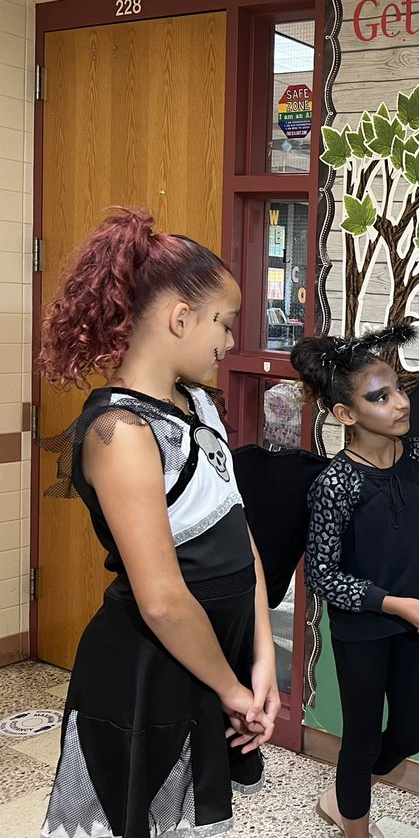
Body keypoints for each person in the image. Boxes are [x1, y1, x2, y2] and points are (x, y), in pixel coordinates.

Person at [37, 208, 278, 838]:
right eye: (225, 325)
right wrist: (232, 690)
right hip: (153, 668)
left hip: (220, 664)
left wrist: (261, 665)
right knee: (137, 818)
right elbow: (165, 601)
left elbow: (238, 535)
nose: (229, 343)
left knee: (195, 822)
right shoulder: (121, 431)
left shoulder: (198, 404)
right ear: (180, 318)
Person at [291, 329, 419, 838]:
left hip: (412, 626)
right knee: (361, 741)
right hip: (362, 631)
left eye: (400, 389)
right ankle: (354, 824)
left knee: (410, 734)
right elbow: (322, 575)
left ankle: (343, 792)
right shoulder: (336, 483)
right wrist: (392, 604)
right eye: (380, 397)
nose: (401, 403)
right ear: (346, 415)